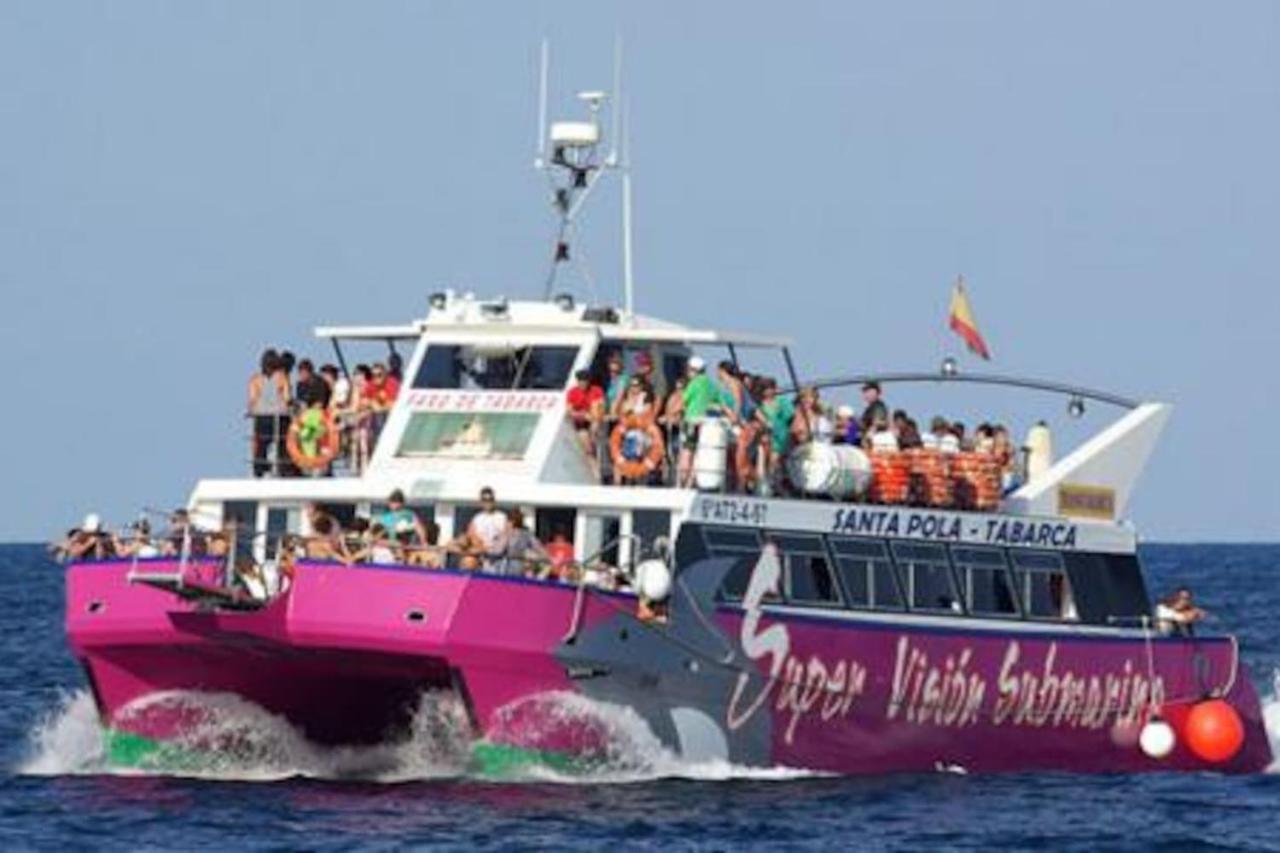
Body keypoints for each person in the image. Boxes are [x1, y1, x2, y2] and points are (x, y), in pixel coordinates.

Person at [248, 349, 292, 477]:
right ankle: (284, 467)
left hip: (261, 417)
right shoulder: (282, 377)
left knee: (261, 445)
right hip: (279, 416)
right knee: (282, 443)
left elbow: (252, 400)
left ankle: (259, 468)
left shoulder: (255, 379)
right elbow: (287, 398)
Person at [677, 356, 715, 486]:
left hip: (691, 421)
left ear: (693, 370)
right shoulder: (710, 384)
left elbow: (683, 401)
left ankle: (682, 480)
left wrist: (674, 413)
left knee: (687, 451)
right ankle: (691, 481)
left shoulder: (693, 384)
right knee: (699, 453)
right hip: (706, 424)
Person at [565, 369, 605, 478]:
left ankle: (598, 469)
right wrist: (582, 415)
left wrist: (593, 418)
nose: (583, 383)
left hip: (595, 420)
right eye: (580, 381)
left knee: (595, 409)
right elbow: (569, 412)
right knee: (587, 445)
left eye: (585, 381)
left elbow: (601, 406)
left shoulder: (596, 390)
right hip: (581, 422)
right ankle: (595, 471)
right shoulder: (572, 392)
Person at [466, 487, 510, 570]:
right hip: (481, 553)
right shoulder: (477, 518)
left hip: (498, 553)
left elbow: (506, 535)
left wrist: (495, 548)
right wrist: (483, 548)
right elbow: (472, 536)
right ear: (481, 502)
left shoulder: (502, 517)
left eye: (490, 499)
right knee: (468, 560)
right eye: (485, 500)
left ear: (494, 501)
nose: (488, 502)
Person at [501, 509, 548, 575]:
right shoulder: (526, 534)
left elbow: (497, 551)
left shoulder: (511, 534)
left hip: (512, 567)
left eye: (507, 521)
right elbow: (541, 549)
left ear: (512, 522)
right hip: (514, 566)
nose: (505, 523)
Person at [604, 350, 630, 418]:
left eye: (616, 362)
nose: (612, 373)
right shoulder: (609, 379)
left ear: (620, 365)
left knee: (614, 404)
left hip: (619, 406)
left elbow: (620, 396)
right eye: (611, 362)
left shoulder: (623, 378)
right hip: (608, 404)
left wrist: (613, 410)